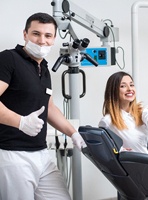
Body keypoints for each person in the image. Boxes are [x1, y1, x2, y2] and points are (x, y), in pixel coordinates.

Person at [0, 12, 86, 200]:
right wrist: (20, 122)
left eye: (48, 36)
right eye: (36, 34)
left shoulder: (43, 68)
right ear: (25, 34)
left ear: (54, 39)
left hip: (41, 153)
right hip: (12, 154)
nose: (41, 41)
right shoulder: (8, 59)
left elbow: (49, 107)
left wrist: (73, 133)